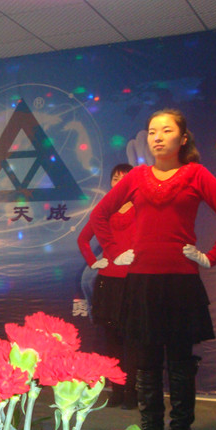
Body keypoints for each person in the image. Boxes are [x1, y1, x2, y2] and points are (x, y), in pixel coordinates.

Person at [90, 109, 216, 430]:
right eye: (151, 131)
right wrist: (114, 252)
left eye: (166, 130)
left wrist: (210, 256)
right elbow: (99, 216)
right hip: (142, 283)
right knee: (145, 371)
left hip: (180, 284)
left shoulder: (196, 174)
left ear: (183, 138)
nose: (157, 137)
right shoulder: (136, 177)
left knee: (180, 369)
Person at [77, 163, 138, 409]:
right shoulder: (103, 209)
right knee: (112, 341)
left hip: (134, 281)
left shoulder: (144, 208)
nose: (119, 181)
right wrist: (94, 262)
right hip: (109, 281)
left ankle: (132, 391)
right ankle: (117, 390)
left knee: (133, 340)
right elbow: (82, 239)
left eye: (125, 177)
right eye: (115, 178)